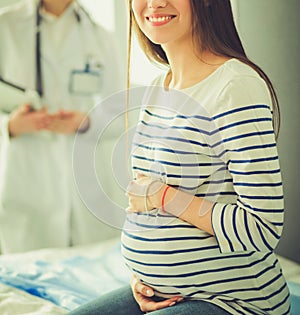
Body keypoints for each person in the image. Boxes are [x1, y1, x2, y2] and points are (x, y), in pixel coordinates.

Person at [69, 0, 290, 314]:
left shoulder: (235, 86)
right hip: (158, 295)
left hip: (232, 303)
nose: (155, 2)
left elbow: (262, 227)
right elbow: (143, 206)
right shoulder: (158, 88)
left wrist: (163, 196)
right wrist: (141, 275)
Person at [0, 0, 124, 253]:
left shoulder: (101, 37)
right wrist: (10, 125)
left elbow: (122, 116)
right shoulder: (5, 27)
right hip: (26, 180)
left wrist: (88, 121)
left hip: (86, 184)